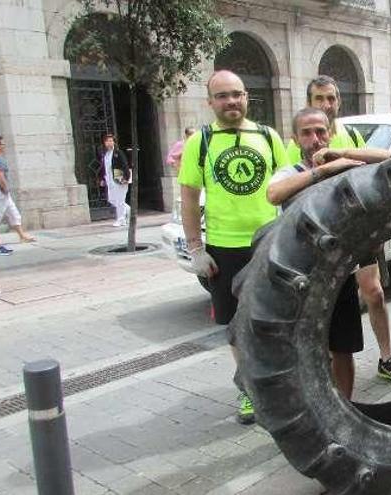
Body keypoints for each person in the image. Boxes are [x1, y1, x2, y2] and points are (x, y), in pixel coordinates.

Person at [287, 76, 391, 387]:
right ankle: (326, 374)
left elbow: (381, 162)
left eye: (331, 98)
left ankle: (386, 358)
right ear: (310, 101)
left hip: (359, 230)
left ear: (338, 101)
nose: (326, 104)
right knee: (325, 309)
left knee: (374, 292)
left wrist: (340, 153)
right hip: (323, 240)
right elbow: (286, 191)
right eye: (319, 99)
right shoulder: (300, 141)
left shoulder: (351, 134)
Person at [178, 70, 289, 424]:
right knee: (236, 326)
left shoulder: (268, 137)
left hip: (268, 243)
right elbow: (189, 198)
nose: (231, 101)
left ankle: (278, 384)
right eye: (223, 95)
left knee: (274, 319)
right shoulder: (202, 141)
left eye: (237, 94)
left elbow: (288, 188)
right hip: (224, 249)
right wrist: (196, 249)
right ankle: (249, 391)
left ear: (246, 97)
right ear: (210, 102)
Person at [267, 107, 390, 398]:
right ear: (296, 139)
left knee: (342, 349)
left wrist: (342, 157)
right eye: (307, 133)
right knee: (309, 350)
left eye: (321, 131)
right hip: (302, 280)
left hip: (339, 277)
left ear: (330, 133)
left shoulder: (345, 165)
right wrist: (320, 171)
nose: (315, 139)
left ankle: (343, 405)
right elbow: (273, 194)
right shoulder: (291, 173)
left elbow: (389, 160)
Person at [99, 134, 131, 227]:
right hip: (109, 180)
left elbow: (125, 165)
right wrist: (102, 179)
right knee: (112, 199)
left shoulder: (118, 153)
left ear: (114, 142)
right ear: (104, 143)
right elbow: (104, 168)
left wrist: (126, 178)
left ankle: (121, 219)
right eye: (107, 141)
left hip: (119, 177)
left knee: (120, 200)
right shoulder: (105, 155)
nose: (109, 143)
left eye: (111, 141)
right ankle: (128, 210)